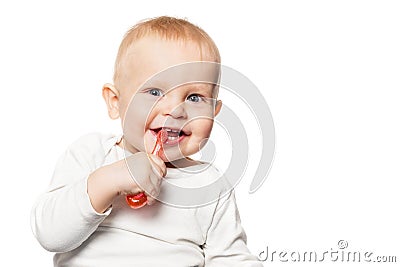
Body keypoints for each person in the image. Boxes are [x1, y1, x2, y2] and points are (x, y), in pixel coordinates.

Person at [31, 16, 262, 267]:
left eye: (194, 97)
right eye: (155, 92)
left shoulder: (210, 185)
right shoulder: (93, 154)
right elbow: (49, 234)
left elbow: (231, 258)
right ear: (115, 102)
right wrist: (109, 180)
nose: (176, 110)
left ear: (214, 112)